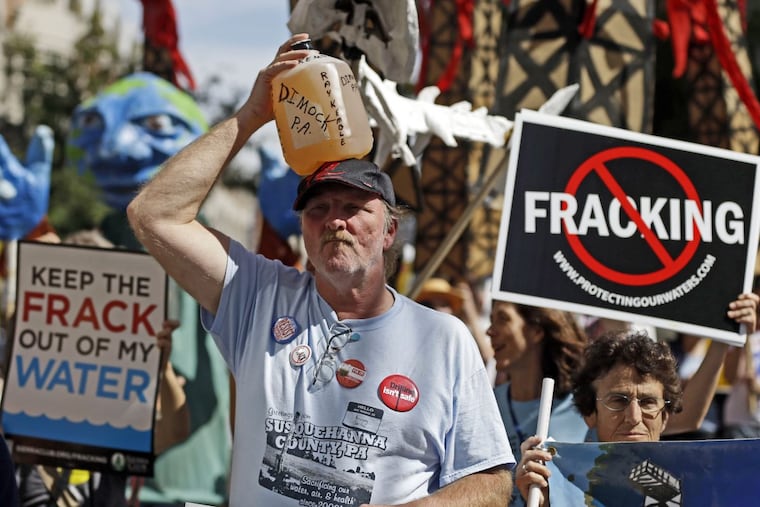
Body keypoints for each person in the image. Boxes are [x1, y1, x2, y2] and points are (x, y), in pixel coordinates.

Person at [126, 33, 514, 506]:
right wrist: (250, 117)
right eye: (318, 208)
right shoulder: (258, 295)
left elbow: (492, 482)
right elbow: (154, 215)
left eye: (354, 207)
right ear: (304, 228)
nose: (335, 220)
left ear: (389, 231)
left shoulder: (444, 339)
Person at [514, 291, 758, 507]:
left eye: (648, 402)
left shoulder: (691, 487)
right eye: (618, 401)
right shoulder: (560, 483)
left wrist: (725, 333)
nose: (634, 417)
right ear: (590, 414)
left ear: (665, 418)